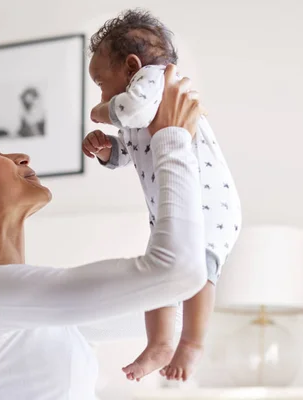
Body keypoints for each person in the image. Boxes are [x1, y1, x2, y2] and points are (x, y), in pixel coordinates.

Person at [0, 65, 207, 400]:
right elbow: (178, 273)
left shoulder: (13, 304)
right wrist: (171, 138)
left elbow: (172, 307)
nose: (21, 156)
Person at [83, 9, 242, 382]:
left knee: (199, 270)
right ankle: (159, 344)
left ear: (133, 67)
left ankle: (191, 343)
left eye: (101, 82)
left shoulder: (156, 83)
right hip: (172, 207)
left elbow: (131, 110)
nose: (102, 94)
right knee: (158, 275)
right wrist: (109, 150)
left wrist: (102, 112)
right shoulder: (143, 112)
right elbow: (132, 150)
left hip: (210, 205)